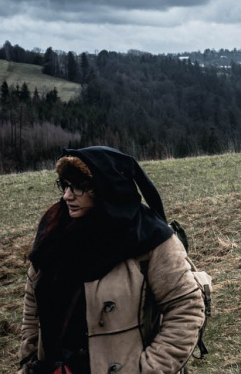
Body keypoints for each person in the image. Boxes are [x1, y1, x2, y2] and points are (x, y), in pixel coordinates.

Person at [20, 146, 206, 374]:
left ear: (105, 186)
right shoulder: (55, 233)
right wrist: (29, 363)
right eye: (65, 186)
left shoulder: (150, 238)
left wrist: (149, 369)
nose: (67, 195)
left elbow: (186, 308)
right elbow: (32, 305)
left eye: (79, 187)